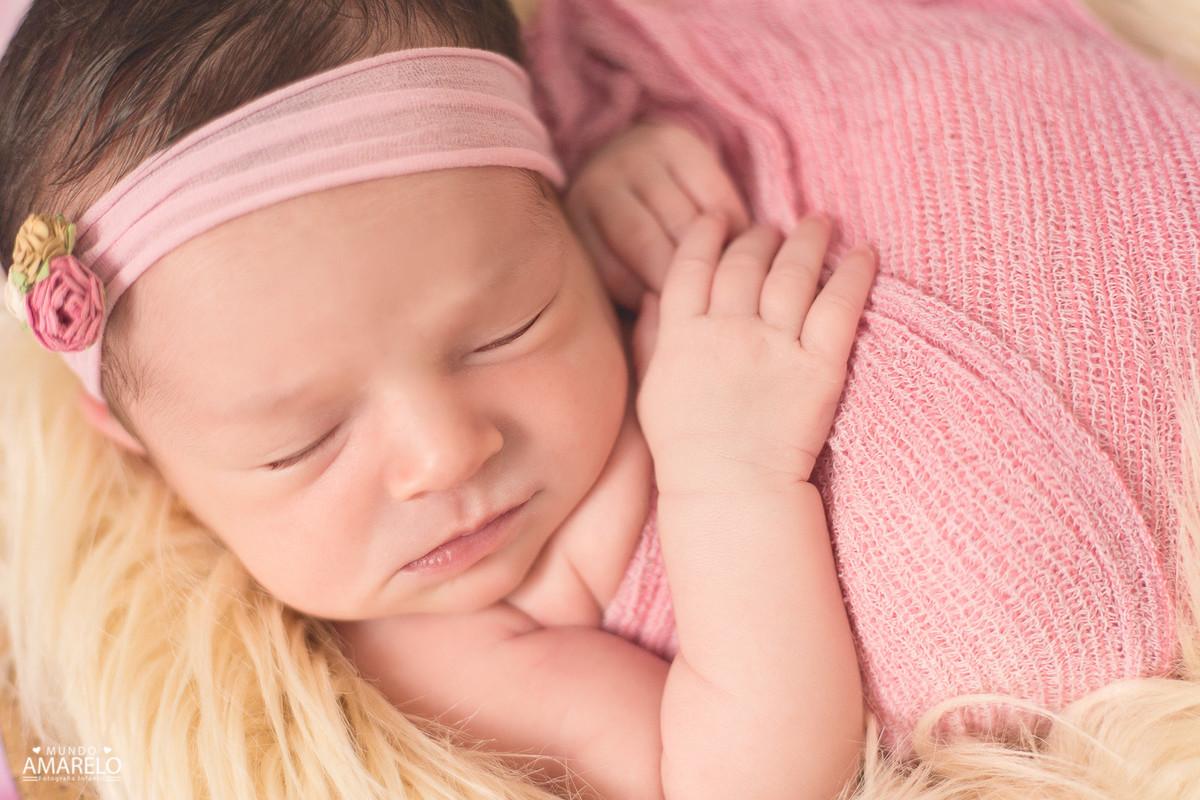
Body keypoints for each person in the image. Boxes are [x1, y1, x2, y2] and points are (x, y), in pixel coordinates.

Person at [0, 1, 874, 798]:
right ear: (135, 440)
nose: (444, 454)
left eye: (506, 328)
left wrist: (623, 181)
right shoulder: (430, 655)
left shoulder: (557, 206)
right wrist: (732, 480)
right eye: (303, 443)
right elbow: (743, 782)